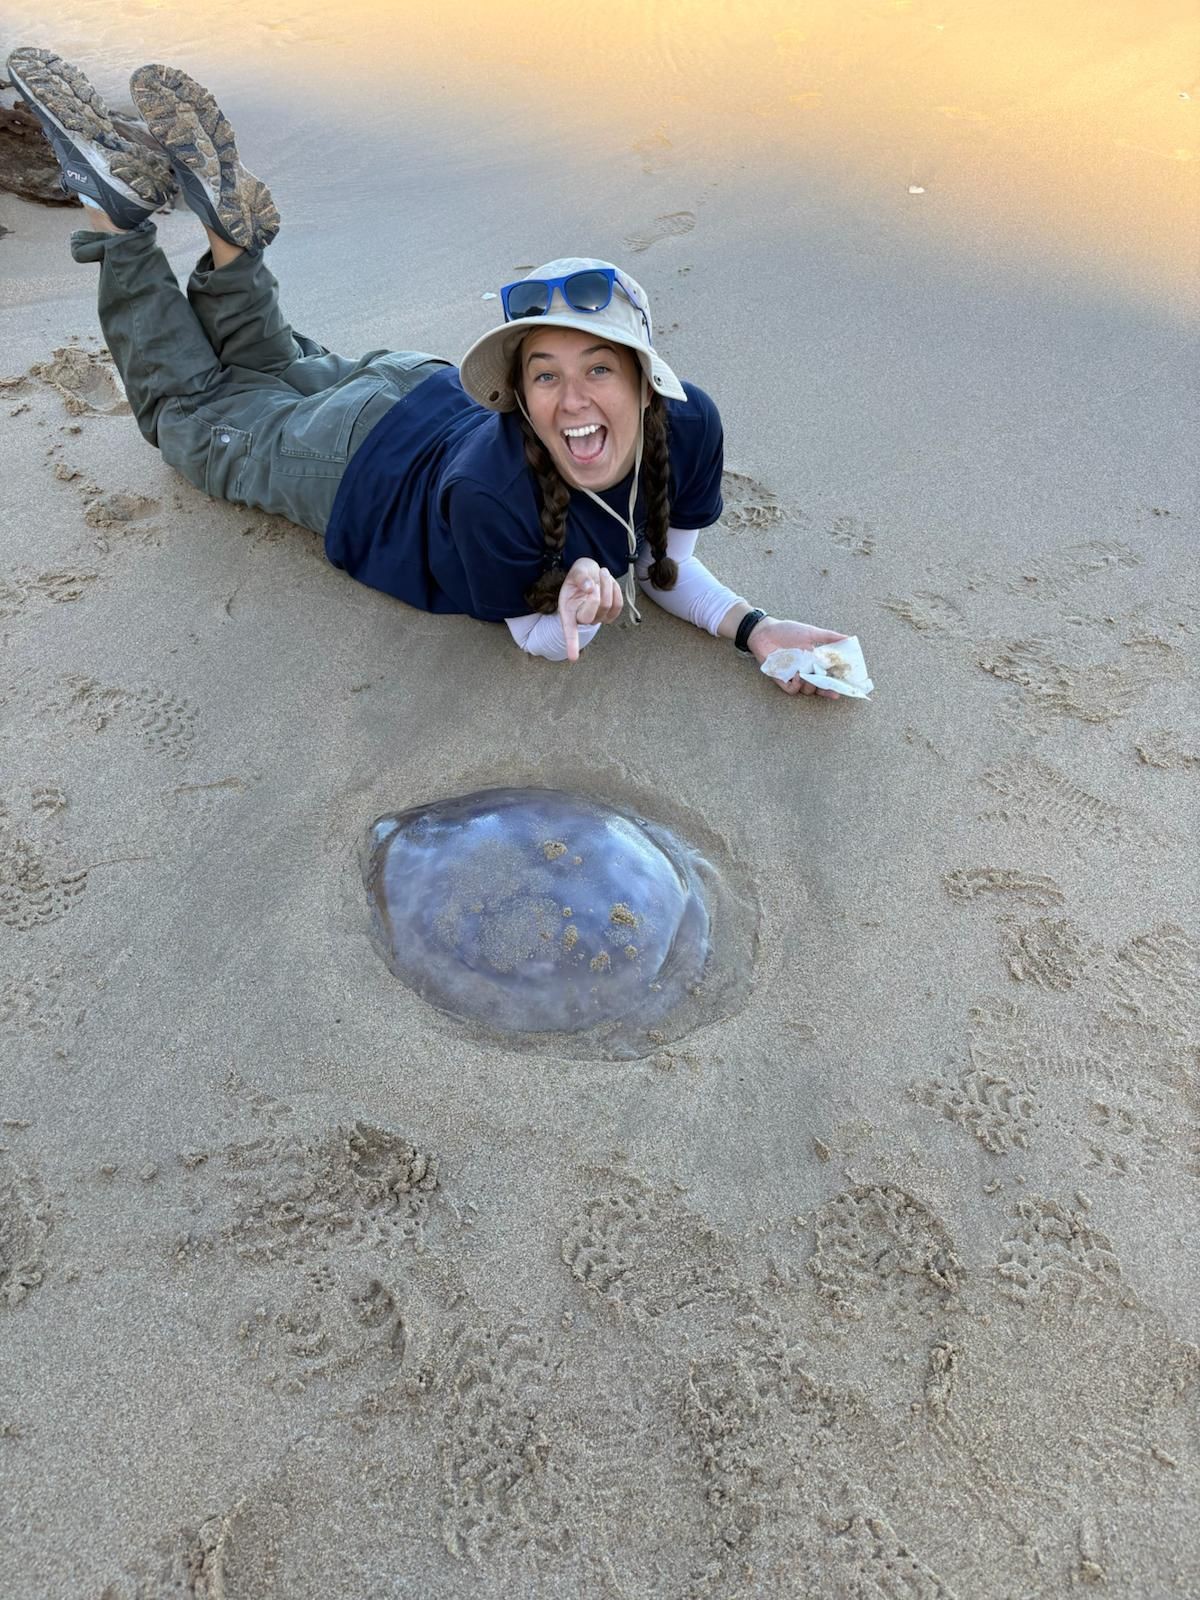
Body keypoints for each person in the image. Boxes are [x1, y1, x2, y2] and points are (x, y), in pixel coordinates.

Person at [9, 47, 849, 692]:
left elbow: (665, 568)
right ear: (519, 392)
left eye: (600, 369)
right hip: (354, 465)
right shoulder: (495, 495)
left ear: (646, 379)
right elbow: (534, 637)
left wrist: (754, 629)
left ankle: (232, 244)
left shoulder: (692, 424)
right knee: (191, 414)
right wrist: (576, 613)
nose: (573, 400)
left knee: (265, 367)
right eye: (546, 375)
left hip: (420, 385)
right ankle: (118, 224)